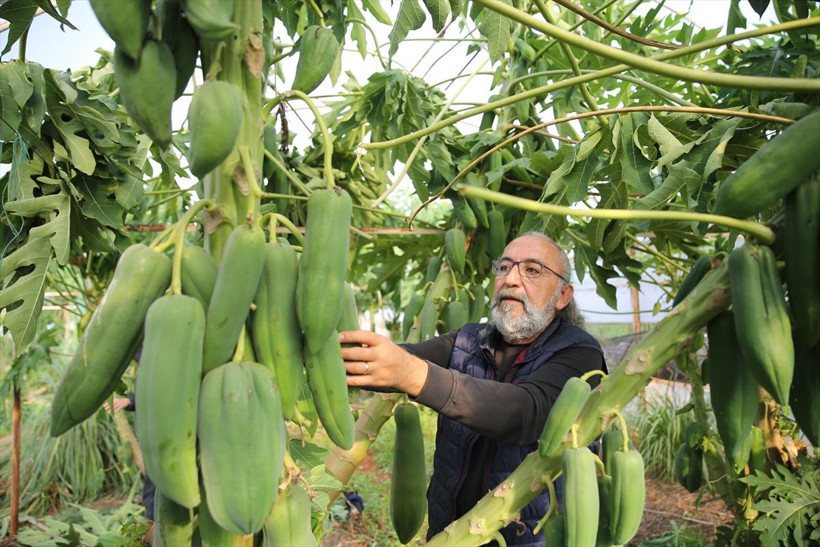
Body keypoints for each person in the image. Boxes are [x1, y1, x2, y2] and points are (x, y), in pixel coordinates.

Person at [340, 232, 607, 546]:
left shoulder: (580, 354)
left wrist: (413, 374)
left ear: (563, 295)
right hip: (449, 531)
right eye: (504, 267)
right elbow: (400, 358)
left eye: (532, 270)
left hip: (526, 537)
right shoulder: (468, 340)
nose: (511, 279)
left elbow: (526, 412)